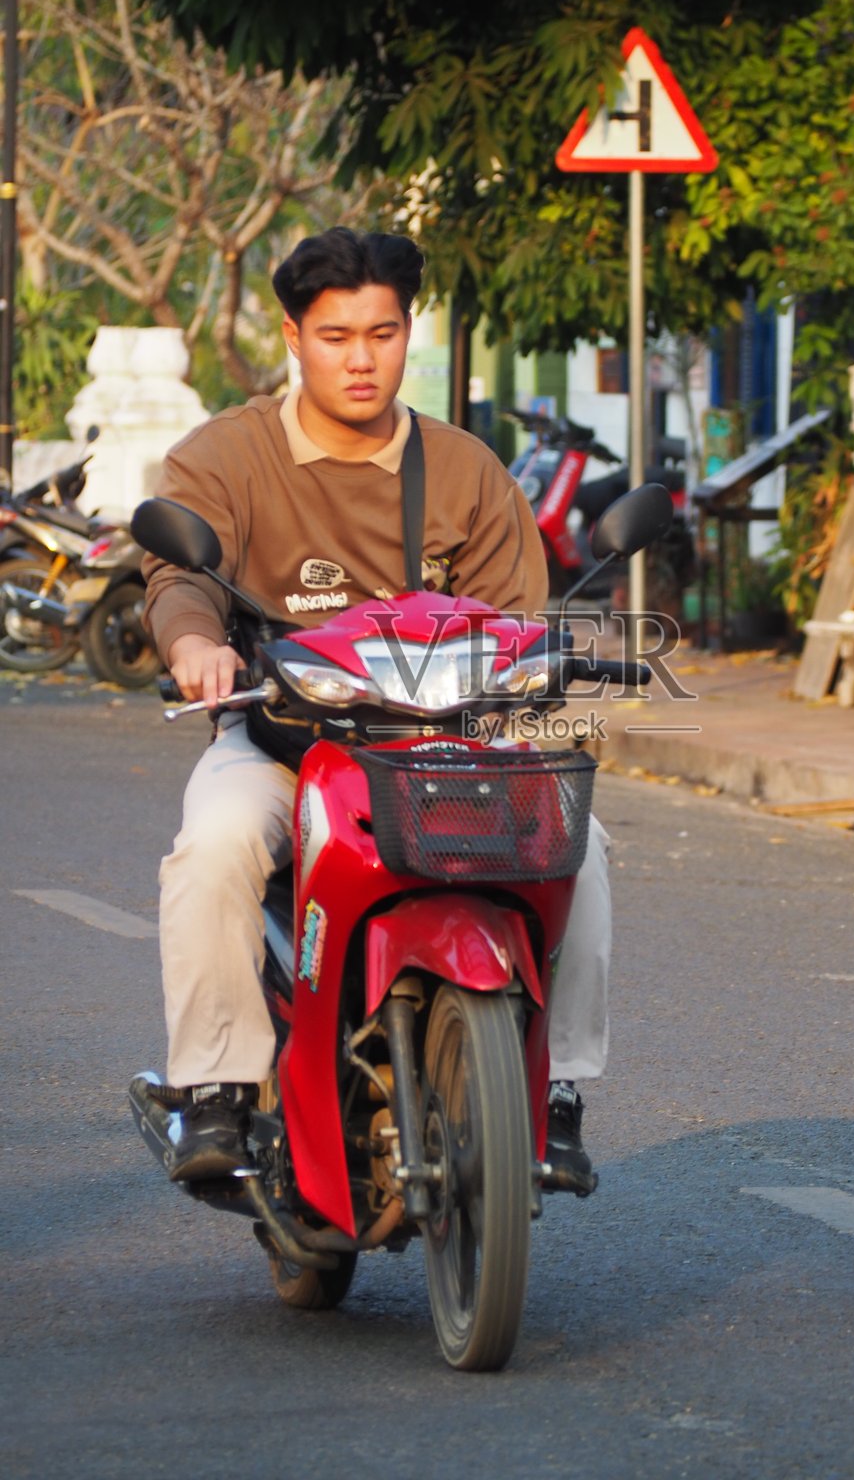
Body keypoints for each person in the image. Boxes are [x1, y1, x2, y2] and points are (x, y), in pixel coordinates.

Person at [142, 228, 610, 1196]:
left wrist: (540, 680)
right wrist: (196, 645)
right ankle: (219, 1086)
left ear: (408, 333)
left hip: (445, 756)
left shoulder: (467, 469)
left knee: (585, 844)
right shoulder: (226, 457)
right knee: (214, 844)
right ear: (292, 335)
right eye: (335, 335)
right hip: (280, 746)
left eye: (383, 333)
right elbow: (180, 579)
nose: (361, 358)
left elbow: (516, 619)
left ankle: (556, 1089)